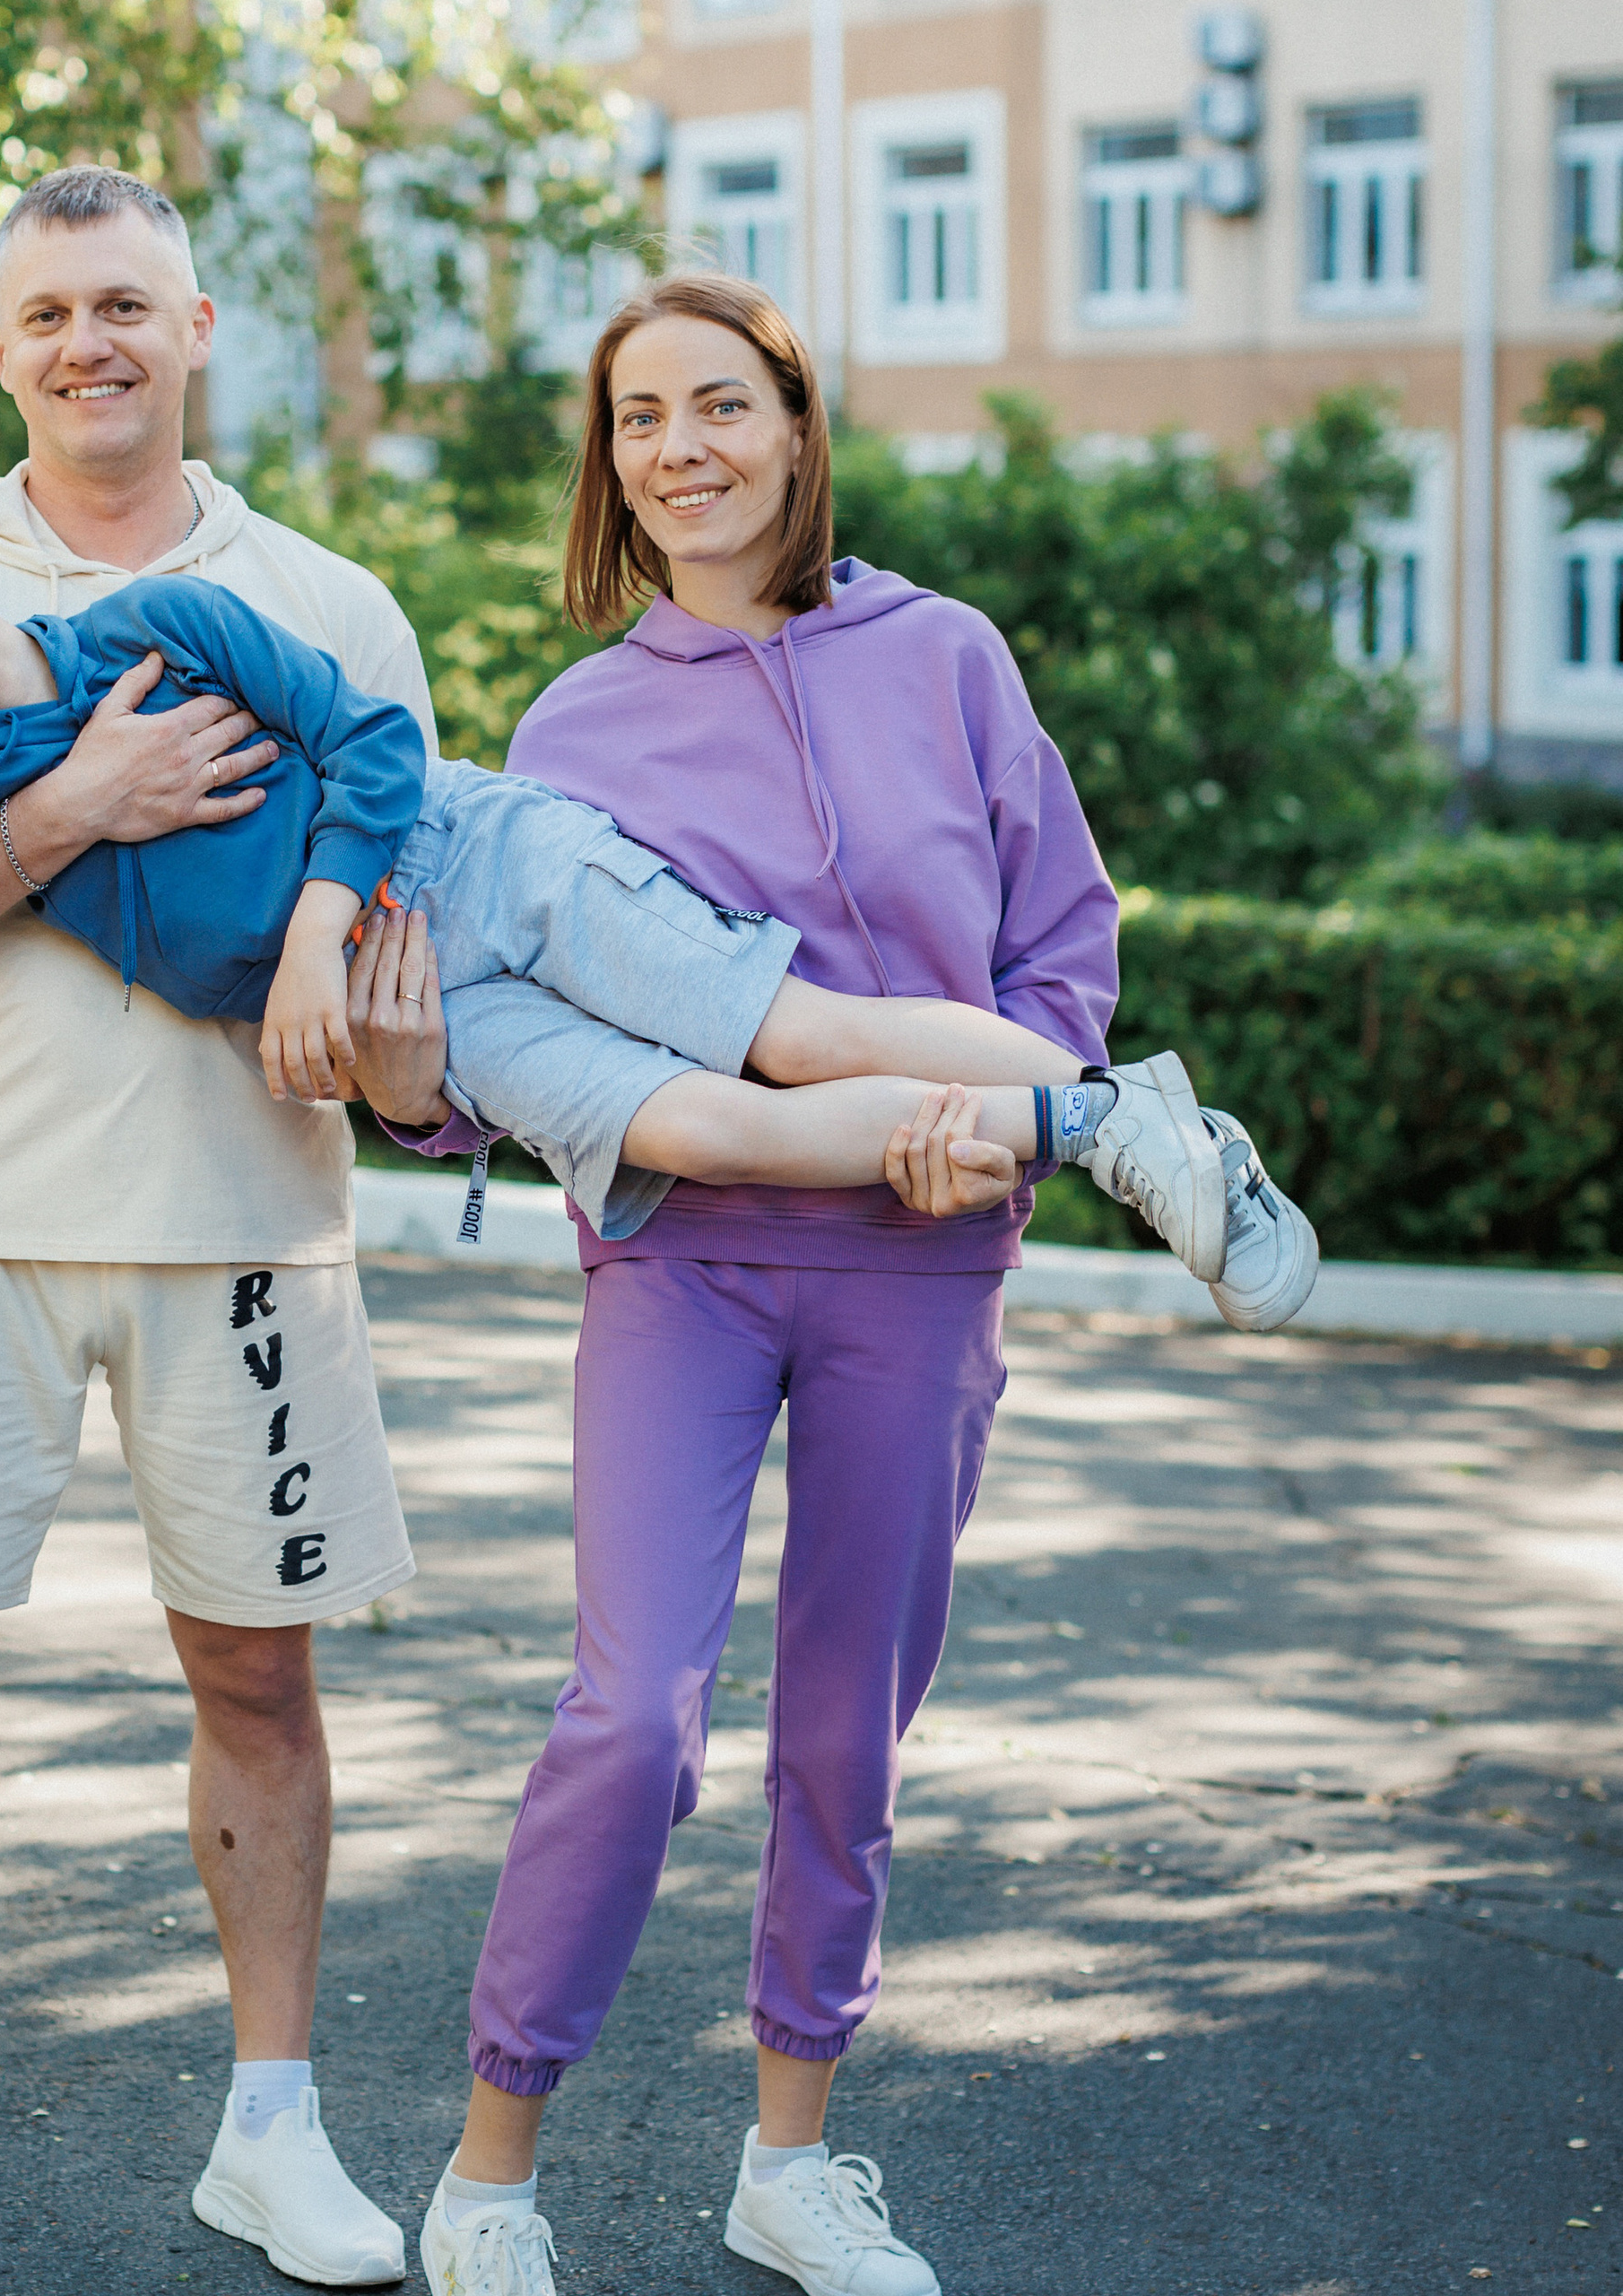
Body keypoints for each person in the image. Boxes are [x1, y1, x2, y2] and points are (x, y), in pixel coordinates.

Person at [346, 272, 1315, 2296]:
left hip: (923, 1266)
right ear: (607, 465)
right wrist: (419, 1098)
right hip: (683, 1264)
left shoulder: (944, 656)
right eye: (635, 421)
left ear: (794, 427)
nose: (677, 449)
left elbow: (1059, 944)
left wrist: (1005, 1123)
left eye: (717, 406)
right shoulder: (573, 719)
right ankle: (487, 2171)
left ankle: (789, 2158)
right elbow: (514, 1034)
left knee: (843, 1732)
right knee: (630, 1717)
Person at [0, 163, 430, 2296]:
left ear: (199, 322)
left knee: (258, 1675)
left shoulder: (317, 595)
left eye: (125, 304)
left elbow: (388, 955)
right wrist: (75, 808)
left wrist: (399, 1057)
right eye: (49, 313)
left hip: (252, 1224)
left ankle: (271, 2127)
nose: (89, 345)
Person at [0, 548, 1280, 1268]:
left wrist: (306, 936)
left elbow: (372, 744)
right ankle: (1079, 1131)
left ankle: (1114, 1111)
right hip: (419, 1001)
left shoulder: (147, 621)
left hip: (471, 861)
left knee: (794, 1034)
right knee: (698, 1129)